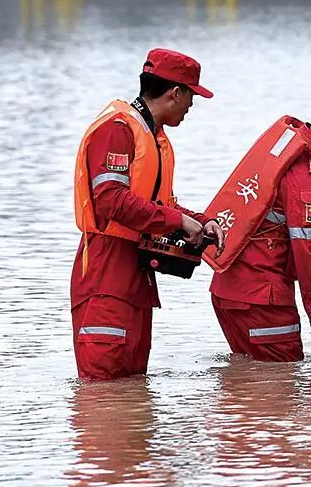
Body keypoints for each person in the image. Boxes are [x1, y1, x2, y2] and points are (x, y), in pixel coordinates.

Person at [71, 48, 224, 380]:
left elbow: (159, 205)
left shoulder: (152, 136)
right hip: (105, 276)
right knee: (104, 392)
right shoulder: (117, 128)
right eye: (192, 97)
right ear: (175, 93)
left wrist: (200, 220)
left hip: (136, 278)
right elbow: (110, 201)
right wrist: (176, 221)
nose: (192, 106)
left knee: (132, 394)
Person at [204, 79, 311, 361]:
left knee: (252, 385)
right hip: (263, 299)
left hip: (230, 290)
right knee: (282, 385)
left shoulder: (296, 145)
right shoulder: (307, 176)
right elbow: (309, 255)